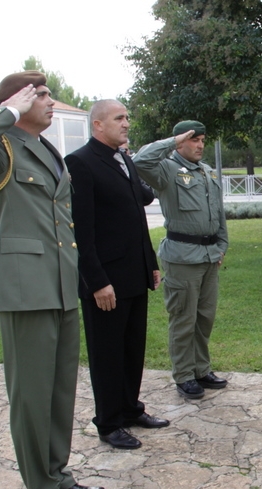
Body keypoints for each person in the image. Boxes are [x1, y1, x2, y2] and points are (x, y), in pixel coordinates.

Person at [0, 71, 104, 489]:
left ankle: (57, 473)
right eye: (42, 95)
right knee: (32, 395)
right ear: (17, 101)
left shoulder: (44, 148)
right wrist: (7, 111)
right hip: (25, 288)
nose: (52, 101)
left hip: (60, 283)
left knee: (59, 391)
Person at [65, 100, 167, 450]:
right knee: (107, 353)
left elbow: (138, 216)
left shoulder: (123, 158)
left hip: (133, 272)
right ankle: (109, 422)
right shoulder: (80, 162)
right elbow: (81, 231)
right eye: (119, 118)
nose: (126, 124)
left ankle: (129, 408)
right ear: (98, 124)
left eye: (127, 118)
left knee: (132, 348)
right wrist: (96, 282)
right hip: (105, 280)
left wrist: (150, 263)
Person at [133, 121, 229, 400]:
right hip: (182, 257)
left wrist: (222, 245)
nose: (200, 145)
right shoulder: (166, 169)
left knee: (204, 318)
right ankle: (184, 375)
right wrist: (172, 141)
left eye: (202, 140)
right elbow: (139, 161)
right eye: (193, 139)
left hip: (209, 255)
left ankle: (201, 369)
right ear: (181, 141)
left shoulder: (207, 171)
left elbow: (218, 212)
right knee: (183, 318)